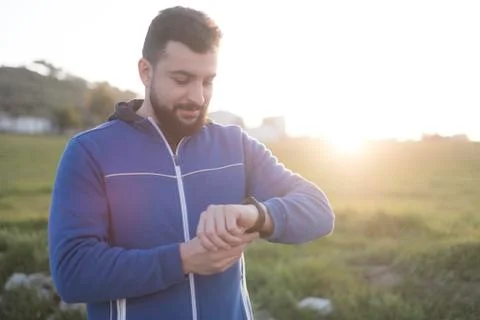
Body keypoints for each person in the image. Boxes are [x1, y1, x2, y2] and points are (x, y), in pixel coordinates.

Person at [48, 6, 335, 320]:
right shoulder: (90, 151)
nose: (198, 97)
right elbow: (74, 273)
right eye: (182, 80)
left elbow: (318, 210)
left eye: (207, 81)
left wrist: (254, 214)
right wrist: (183, 260)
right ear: (146, 71)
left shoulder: (235, 145)